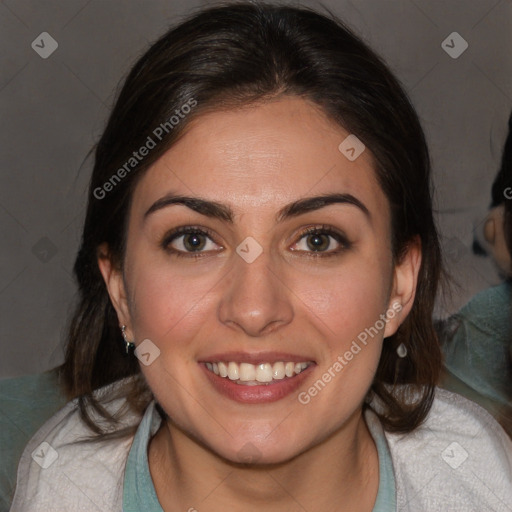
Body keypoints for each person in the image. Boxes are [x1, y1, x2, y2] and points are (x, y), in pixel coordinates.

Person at [8, 2, 512, 511]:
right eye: (194, 241)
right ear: (119, 290)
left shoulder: (483, 482)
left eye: (317, 240)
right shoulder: (56, 489)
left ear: (401, 283)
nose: (254, 309)